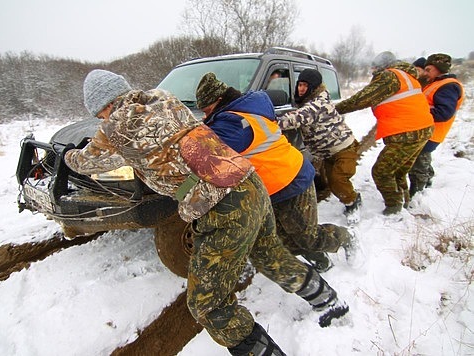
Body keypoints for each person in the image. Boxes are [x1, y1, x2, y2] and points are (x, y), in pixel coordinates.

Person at [64, 69, 349, 355]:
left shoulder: (116, 126)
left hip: (222, 203)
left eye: (100, 115)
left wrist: (68, 154)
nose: (102, 120)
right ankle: (328, 300)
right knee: (270, 255)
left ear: (106, 106)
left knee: (206, 303)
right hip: (250, 183)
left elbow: (87, 162)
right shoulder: (163, 98)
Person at [195, 72, 362, 271]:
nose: (205, 117)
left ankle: (345, 237)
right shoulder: (244, 109)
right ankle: (321, 260)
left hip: (292, 180)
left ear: (220, 100)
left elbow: (204, 153)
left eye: (207, 110)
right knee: (282, 239)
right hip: (270, 188)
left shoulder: (232, 124)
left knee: (308, 237)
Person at [335, 51, 434, 215]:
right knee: (398, 171)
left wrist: (334, 109)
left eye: (375, 67)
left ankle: (394, 208)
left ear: (383, 66)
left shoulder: (390, 76)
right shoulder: (406, 75)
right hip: (421, 130)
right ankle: (404, 202)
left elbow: (361, 99)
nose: (373, 71)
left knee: (381, 172)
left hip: (407, 133)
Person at [277, 68, 362, 224]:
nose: (301, 89)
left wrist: (270, 122)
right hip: (328, 152)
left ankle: (353, 203)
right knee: (331, 181)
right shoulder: (307, 102)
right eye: (299, 85)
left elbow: (299, 117)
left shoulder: (318, 104)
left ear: (313, 87)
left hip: (344, 148)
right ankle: (348, 196)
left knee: (338, 180)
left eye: (305, 85)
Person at [408, 53, 465, 196]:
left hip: (431, 133)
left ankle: (417, 193)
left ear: (439, 69)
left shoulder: (448, 86)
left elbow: (444, 113)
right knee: (421, 159)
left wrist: (417, 111)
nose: (425, 72)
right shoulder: (436, 83)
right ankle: (426, 181)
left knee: (418, 163)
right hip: (425, 130)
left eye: (428, 69)